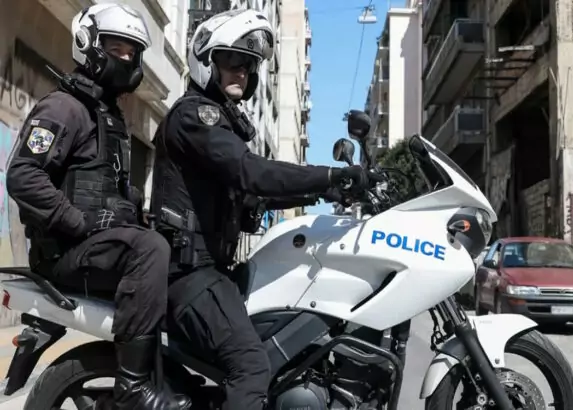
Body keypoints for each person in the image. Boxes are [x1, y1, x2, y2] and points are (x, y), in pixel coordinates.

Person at [150, 9, 380, 410]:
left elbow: (255, 195)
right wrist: (330, 175)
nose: (241, 71)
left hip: (212, 271)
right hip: (189, 276)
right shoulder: (195, 117)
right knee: (252, 366)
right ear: (206, 62)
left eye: (249, 64)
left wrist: (327, 192)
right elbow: (251, 173)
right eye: (231, 60)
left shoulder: (219, 124)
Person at [5, 4, 190, 410]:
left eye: (131, 51)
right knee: (150, 250)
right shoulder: (64, 108)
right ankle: (133, 385)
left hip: (91, 248)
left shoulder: (106, 116)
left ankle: (169, 377)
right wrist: (76, 221)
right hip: (65, 252)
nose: (125, 58)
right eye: (115, 48)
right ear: (88, 44)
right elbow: (23, 176)